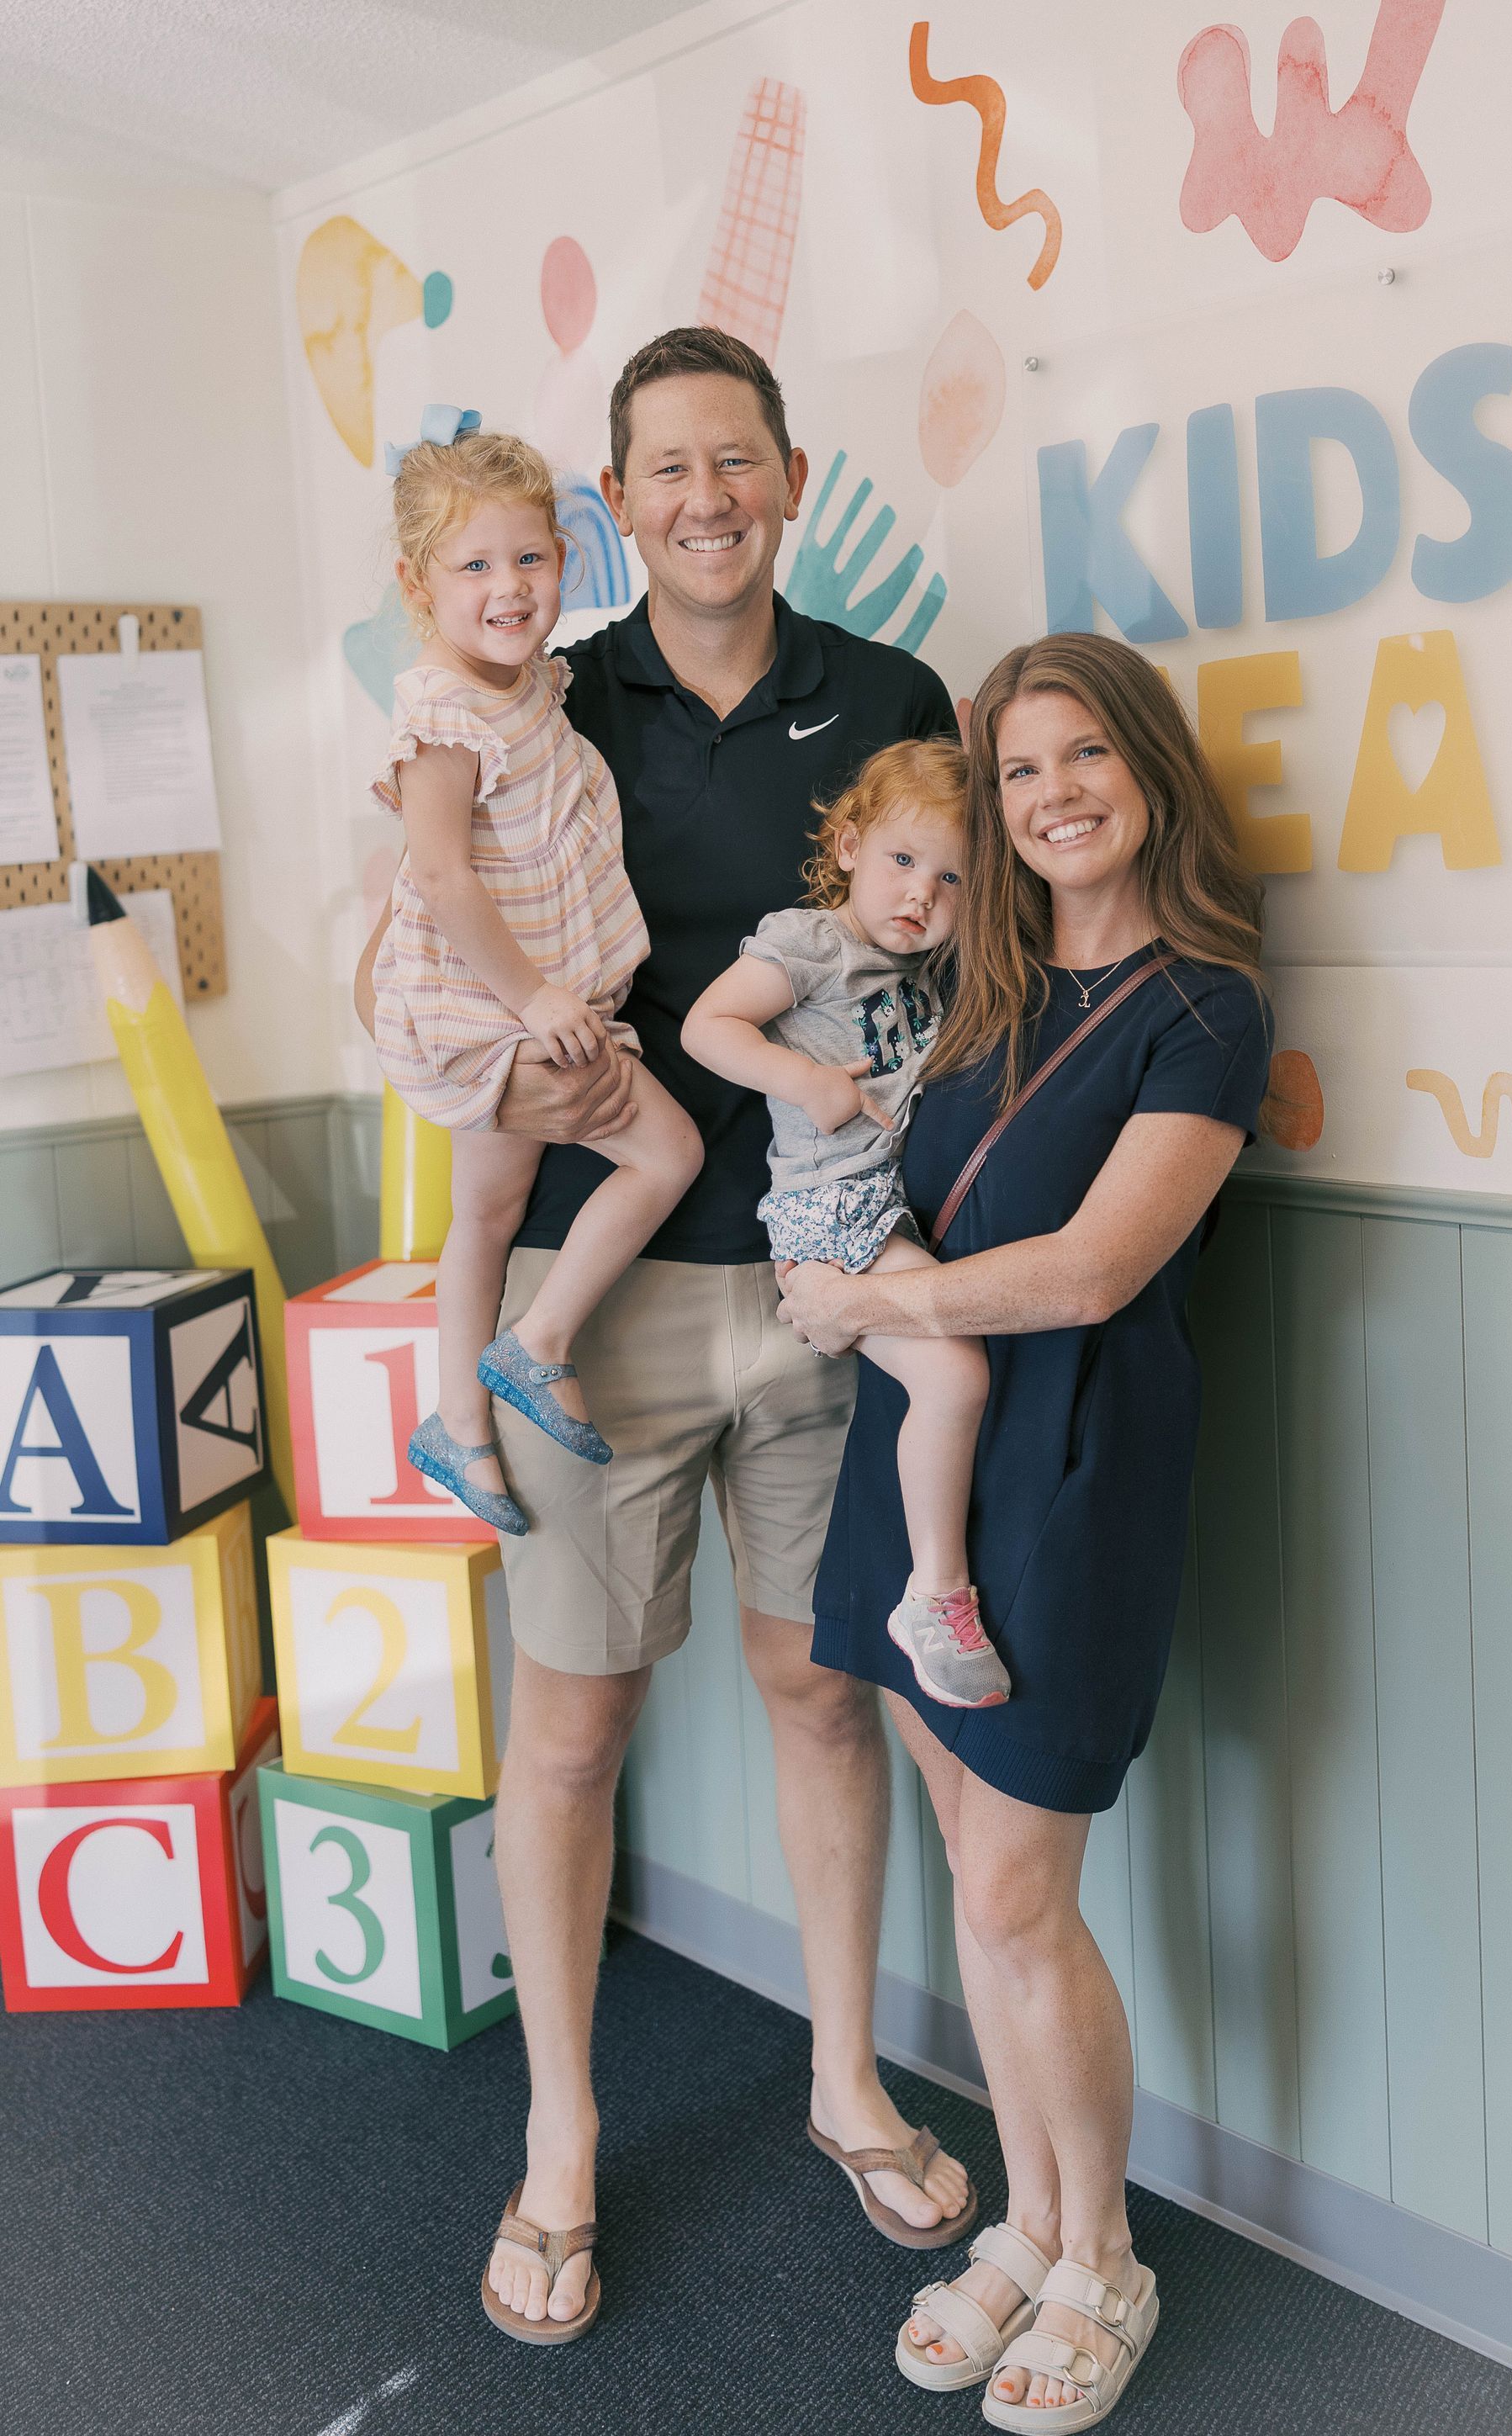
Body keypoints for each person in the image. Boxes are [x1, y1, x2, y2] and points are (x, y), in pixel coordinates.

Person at [357, 327, 975, 2343]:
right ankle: (557, 2138)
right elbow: (430, 905)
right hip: (592, 1302)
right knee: (572, 1726)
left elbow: (949, 967)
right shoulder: (539, 679)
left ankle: (842, 2072)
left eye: (738, 460)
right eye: (664, 471)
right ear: (613, 504)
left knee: (818, 1693)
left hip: (821, 1292)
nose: (702, 497)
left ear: (791, 473)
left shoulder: (887, 700)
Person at [778, 634, 1271, 2429]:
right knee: (968, 1868)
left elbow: (1098, 1264)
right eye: (1016, 771)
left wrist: (863, 1298)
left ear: (1145, 768)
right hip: (917, 1459)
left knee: (1013, 1889)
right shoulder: (965, 988)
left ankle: (1108, 2257)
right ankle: (1039, 2225)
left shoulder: (1206, 1003)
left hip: (1074, 1466)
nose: (1051, 792)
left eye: (1083, 756)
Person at [368, 415, 702, 1529]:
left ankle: (459, 1428)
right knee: (667, 1149)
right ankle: (538, 1342)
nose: (509, 586)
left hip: (509, 1003)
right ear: (420, 584)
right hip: (498, 1008)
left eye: (531, 558)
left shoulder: (528, 688)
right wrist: (538, 998)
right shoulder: (449, 720)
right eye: (474, 566)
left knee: (486, 1217)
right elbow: (442, 879)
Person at [683, 737, 1007, 1710]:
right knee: (954, 1372)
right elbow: (709, 1027)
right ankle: (935, 1593)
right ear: (851, 843)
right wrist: (806, 1080)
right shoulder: (814, 942)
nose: (923, 895)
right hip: (833, 1211)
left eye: (953, 879)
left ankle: (933, 1585)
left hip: (890, 1203)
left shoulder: (932, 963)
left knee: (950, 1379)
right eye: (905, 861)